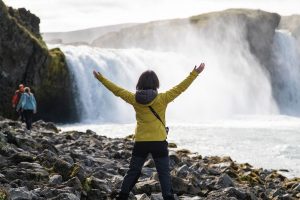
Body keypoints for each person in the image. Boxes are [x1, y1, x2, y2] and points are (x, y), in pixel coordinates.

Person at [93, 63, 205, 200]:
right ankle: (168, 198)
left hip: (141, 142)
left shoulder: (134, 99)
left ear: (140, 83)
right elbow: (180, 88)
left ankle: (122, 196)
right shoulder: (163, 98)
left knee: (133, 171)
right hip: (159, 141)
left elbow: (117, 90)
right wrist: (195, 73)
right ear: (156, 84)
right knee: (163, 173)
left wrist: (101, 79)